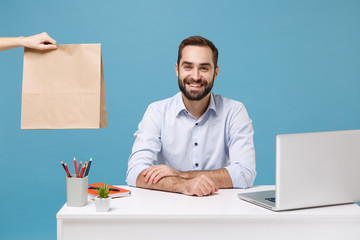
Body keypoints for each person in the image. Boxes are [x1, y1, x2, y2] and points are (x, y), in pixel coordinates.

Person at [127, 36, 256, 197]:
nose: (195, 76)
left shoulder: (234, 111)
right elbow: (135, 172)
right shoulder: (157, 112)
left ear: (215, 72)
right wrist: (183, 186)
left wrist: (179, 174)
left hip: (221, 210)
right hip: (169, 210)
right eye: (188, 67)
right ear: (177, 69)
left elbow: (244, 174)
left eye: (204, 68)